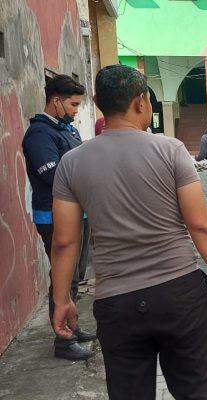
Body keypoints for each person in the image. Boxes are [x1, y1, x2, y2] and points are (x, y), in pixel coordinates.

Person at [50, 64, 207, 399]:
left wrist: (61, 299)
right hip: (179, 295)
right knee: (198, 392)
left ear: (96, 101)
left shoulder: (72, 163)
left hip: (116, 303)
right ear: (140, 102)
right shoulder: (170, 150)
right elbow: (200, 223)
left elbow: (65, 242)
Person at [22, 74, 96, 360]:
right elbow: (53, 174)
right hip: (54, 216)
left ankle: (72, 325)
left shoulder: (67, 130)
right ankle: (63, 341)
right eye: (74, 105)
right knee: (63, 278)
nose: (77, 111)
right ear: (56, 102)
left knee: (75, 276)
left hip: (79, 211)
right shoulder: (40, 134)